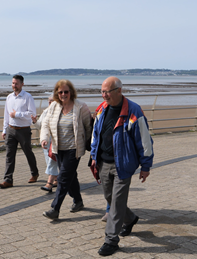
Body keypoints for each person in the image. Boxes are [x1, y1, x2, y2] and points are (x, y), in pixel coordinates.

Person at [91, 76, 154, 256]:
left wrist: (145, 166)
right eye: (102, 92)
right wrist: (94, 156)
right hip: (103, 162)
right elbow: (96, 135)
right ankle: (131, 218)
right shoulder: (102, 109)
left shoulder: (134, 111)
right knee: (110, 198)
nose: (104, 96)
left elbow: (145, 141)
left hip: (123, 165)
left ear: (119, 90)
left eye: (107, 92)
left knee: (117, 203)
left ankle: (111, 240)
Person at [40, 79, 92, 220]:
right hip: (58, 148)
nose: (63, 94)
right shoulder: (54, 107)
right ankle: (78, 201)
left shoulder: (81, 107)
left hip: (74, 149)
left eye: (66, 91)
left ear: (71, 92)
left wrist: (87, 144)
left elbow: (88, 128)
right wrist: (44, 138)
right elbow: (45, 124)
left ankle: (55, 208)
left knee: (63, 177)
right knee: (70, 176)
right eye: (60, 92)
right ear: (57, 93)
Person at [0, 75, 39, 189]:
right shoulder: (9, 97)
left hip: (24, 130)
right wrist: (4, 129)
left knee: (28, 152)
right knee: (9, 155)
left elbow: (32, 115)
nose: (14, 86)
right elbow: (6, 114)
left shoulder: (27, 97)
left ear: (22, 84)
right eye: (13, 83)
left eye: (16, 83)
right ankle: (8, 180)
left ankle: (34, 173)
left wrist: (17, 115)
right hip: (11, 129)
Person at [33, 95, 59, 192]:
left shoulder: (59, 112)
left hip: (55, 141)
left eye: (52, 101)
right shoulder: (45, 112)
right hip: (46, 142)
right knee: (49, 161)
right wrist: (35, 121)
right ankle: (56, 179)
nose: (50, 103)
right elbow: (40, 126)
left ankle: (50, 183)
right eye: (49, 101)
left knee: (53, 161)